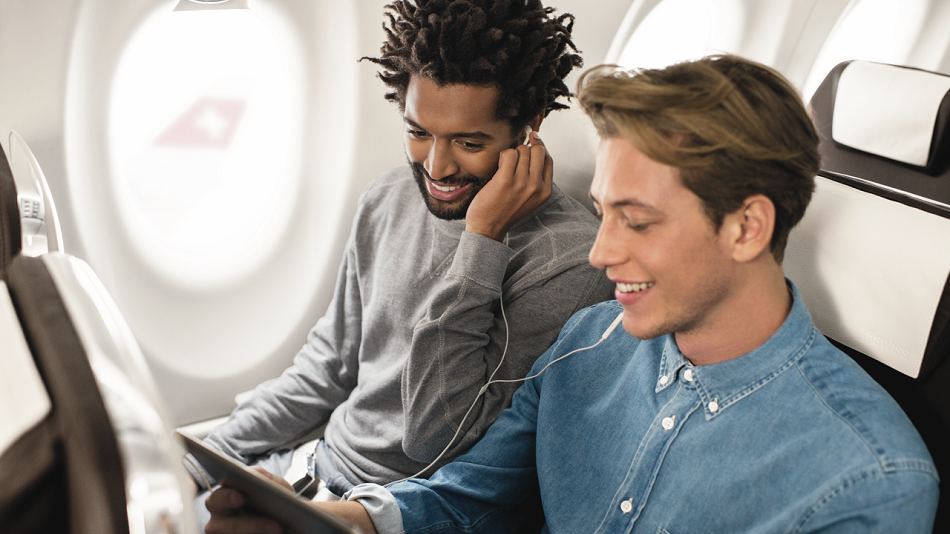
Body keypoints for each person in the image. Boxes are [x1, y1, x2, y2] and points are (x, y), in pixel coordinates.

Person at [204, 54, 940, 533]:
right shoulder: (590, 344)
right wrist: (343, 524)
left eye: (637, 221)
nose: (600, 252)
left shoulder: (869, 483)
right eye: (601, 212)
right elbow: (466, 497)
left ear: (747, 226)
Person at [187, 0, 613, 517]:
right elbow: (328, 367)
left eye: (468, 141)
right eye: (418, 132)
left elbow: (436, 438)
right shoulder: (387, 199)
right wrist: (206, 459)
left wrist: (482, 241)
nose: (436, 165)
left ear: (529, 125)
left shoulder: (569, 263)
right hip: (308, 469)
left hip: (385, 510)